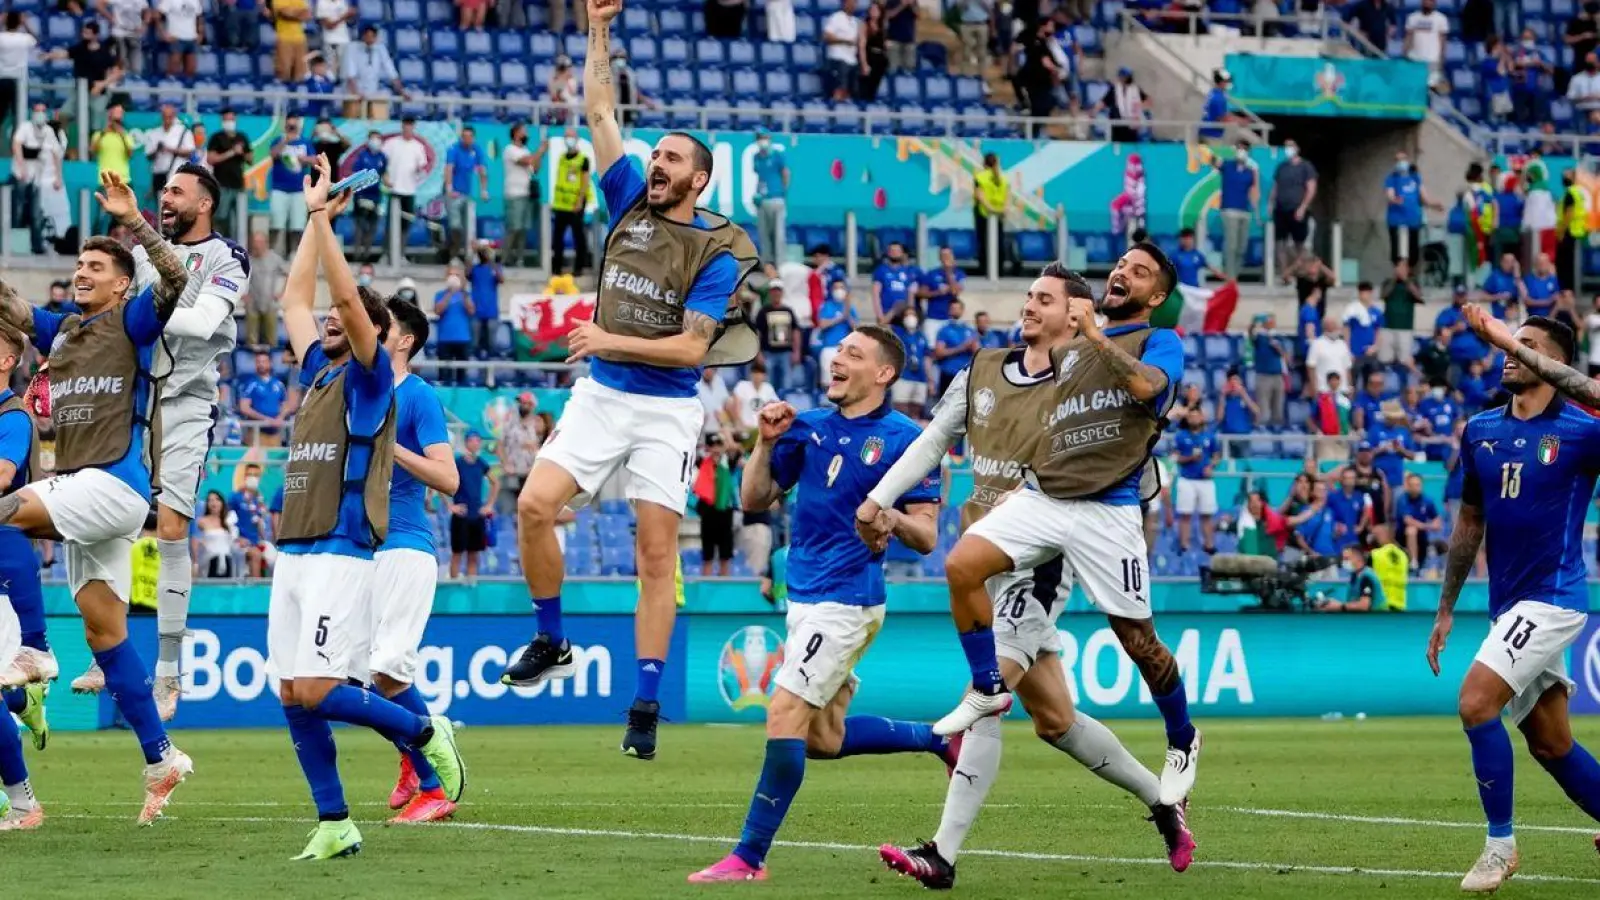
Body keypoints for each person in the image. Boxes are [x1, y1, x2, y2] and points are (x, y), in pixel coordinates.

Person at [862, 266, 1195, 887]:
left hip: (1041, 563)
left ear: (1077, 314)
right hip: (992, 546)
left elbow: (1128, 440)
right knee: (1056, 723)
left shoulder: (1089, 376)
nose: (1030, 306)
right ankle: (1162, 803)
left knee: (990, 698)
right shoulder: (985, 368)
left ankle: (941, 855)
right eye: (1029, 296)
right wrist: (880, 499)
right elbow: (933, 442)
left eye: (1045, 298)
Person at [501, 0, 761, 762]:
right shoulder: (624, 201)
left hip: (665, 412)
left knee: (655, 556)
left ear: (699, 178)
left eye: (673, 160)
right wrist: (597, 29)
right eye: (657, 156)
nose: (657, 164)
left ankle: (644, 702)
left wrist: (605, 335)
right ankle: (552, 640)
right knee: (531, 507)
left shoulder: (716, 249)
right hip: (601, 396)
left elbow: (689, 352)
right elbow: (600, 107)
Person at [924, 244, 1200, 808]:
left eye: (1140, 272)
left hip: (1107, 510)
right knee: (961, 566)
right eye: (1121, 264)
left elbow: (1148, 389)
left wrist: (1095, 334)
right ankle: (987, 688)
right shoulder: (1068, 350)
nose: (1123, 272)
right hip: (1046, 495)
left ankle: (1183, 738)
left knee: (1138, 642)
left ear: (1157, 296)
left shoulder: (1158, 341)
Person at [686, 326, 948, 883]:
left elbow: (926, 536)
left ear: (884, 374)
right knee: (821, 739)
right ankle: (940, 739)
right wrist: (766, 442)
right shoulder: (806, 426)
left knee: (782, 711)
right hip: (803, 596)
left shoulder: (909, 440)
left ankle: (748, 857)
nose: (838, 358)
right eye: (839, 350)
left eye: (855, 353)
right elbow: (756, 499)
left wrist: (890, 517)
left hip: (849, 600)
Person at [267, 154, 463, 861]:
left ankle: (421, 732)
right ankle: (334, 822)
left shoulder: (374, 380)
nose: (325, 317)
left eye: (343, 318)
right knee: (291, 692)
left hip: (345, 547)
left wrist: (326, 222)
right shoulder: (318, 372)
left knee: (321, 686)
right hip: (295, 548)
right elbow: (295, 300)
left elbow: (349, 307)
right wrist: (311, 222)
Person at [0, 173, 194, 823]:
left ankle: (35, 646)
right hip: (85, 493)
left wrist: (135, 222)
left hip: (112, 483)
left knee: (6, 508)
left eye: (94, 266)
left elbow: (174, 279)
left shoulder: (133, 318)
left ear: (119, 281)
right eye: (78, 264)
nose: (81, 272)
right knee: (106, 635)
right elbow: (11, 310)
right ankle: (160, 757)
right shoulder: (62, 331)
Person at [1428, 309, 1600, 892]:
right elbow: (1469, 521)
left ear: (1551, 362)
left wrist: (1508, 337)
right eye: (1508, 342)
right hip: (1508, 605)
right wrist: (1447, 608)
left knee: (1476, 703)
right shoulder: (1480, 430)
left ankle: (1500, 847)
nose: (1508, 352)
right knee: (1551, 743)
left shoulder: (1582, 429)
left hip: (1554, 598)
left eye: (1526, 346)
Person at [69, 164, 248, 716]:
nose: (165, 198)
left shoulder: (227, 256)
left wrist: (136, 320)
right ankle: (108, 649)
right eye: (163, 190)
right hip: (136, 399)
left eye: (176, 191)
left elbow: (199, 324)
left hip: (189, 402)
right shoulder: (144, 255)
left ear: (206, 202)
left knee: (170, 527)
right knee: (113, 516)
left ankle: (170, 670)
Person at [364, 296, 459, 822]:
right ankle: (413, 750)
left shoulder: (417, 396)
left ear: (404, 341)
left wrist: (390, 446)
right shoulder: (357, 389)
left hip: (404, 546)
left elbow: (449, 479)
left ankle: (433, 784)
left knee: (385, 673)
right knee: (352, 682)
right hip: (359, 552)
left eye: (386, 326)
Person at [0, 325, 51, 688]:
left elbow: (3, 476)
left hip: (5, 573)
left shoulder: (13, 417)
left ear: (7, 361)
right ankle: (25, 703)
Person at [1172, 404, 1221, 554]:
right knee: (1185, 514)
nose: (1194, 418)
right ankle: (1184, 544)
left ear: (1202, 417)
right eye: (1191, 415)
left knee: (1207, 514)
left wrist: (1211, 466)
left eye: (1196, 415)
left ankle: (1209, 544)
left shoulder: (1210, 436)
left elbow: (1217, 456)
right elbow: (1174, 457)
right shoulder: (1180, 436)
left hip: (1205, 481)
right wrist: (1189, 458)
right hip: (1187, 479)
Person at [1268, 139, 1317, 281]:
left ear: (1297, 148)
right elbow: (1275, 187)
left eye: (1290, 146)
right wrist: (1271, 203)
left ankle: (1301, 271)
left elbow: (1311, 188)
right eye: (1286, 147)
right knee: (1280, 243)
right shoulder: (1281, 167)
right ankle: (1285, 273)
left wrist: (1303, 207)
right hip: (1281, 210)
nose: (1288, 149)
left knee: (1299, 244)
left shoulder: (1306, 167)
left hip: (1297, 210)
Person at [449, 431, 495, 578]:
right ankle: (453, 585)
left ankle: (472, 587)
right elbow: (441, 484)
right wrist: (451, 506)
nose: (475, 443)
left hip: (477, 516)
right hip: (461, 515)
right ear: (466, 442)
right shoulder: (458, 463)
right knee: (457, 554)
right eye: (472, 440)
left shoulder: (481, 463)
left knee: (473, 555)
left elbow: (496, 483)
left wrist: (489, 505)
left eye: (478, 441)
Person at [268, 116, 315, 255]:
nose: (291, 129)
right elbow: (273, 154)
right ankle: (272, 253)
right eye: (289, 126)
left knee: (297, 226)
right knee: (276, 224)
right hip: (279, 189)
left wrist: (304, 159)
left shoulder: (305, 142)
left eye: (293, 127)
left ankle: (295, 254)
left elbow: (315, 160)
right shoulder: (278, 140)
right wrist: (285, 141)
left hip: (298, 190)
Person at [549, 127, 591, 277]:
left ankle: (579, 268)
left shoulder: (583, 160)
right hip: (560, 204)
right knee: (557, 238)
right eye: (566, 136)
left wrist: (579, 201)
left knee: (578, 236)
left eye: (571, 136)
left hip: (575, 204)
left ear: (577, 139)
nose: (569, 139)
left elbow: (585, 183)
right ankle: (556, 268)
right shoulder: (561, 158)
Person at [443, 126, 489, 262]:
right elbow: (449, 168)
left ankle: (469, 256)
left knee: (470, 227)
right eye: (464, 136)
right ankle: (454, 254)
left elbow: (482, 170)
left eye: (469, 136)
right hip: (455, 193)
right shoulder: (453, 149)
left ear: (473, 138)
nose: (467, 139)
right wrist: (449, 187)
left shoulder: (477, 150)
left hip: (469, 195)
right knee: (455, 226)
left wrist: (484, 190)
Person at [502, 124, 546, 268]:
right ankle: (505, 258)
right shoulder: (510, 150)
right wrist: (540, 150)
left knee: (523, 229)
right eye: (523, 132)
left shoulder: (526, 150)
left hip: (526, 194)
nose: (526, 134)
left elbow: (535, 168)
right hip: (514, 194)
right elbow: (526, 161)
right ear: (515, 133)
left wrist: (541, 154)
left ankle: (519, 258)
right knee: (514, 228)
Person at [1214, 139, 1259, 280]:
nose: (1241, 151)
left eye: (1244, 149)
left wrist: (1256, 212)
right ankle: (1230, 277)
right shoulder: (1227, 165)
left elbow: (1254, 192)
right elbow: (1213, 161)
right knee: (1231, 245)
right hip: (1229, 210)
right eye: (1239, 148)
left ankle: (1235, 274)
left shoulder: (1250, 171)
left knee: (1242, 247)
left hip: (1244, 211)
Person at [205, 109, 253, 238]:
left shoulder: (242, 137)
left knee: (238, 220)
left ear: (235, 120)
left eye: (231, 119)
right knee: (221, 219)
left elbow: (250, 159)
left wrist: (241, 152)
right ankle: (219, 246)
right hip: (222, 185)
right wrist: (232, 152)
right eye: (226, 120)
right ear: (222, 121)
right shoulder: (216, 138)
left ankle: (236, 249)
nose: (229, 122)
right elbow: (211, 159)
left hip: (238, 186)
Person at [237, 350, 291, 446]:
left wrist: (280, 418)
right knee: (255, 461)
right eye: (258, 362)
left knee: (274, 460)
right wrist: (265, 420)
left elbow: (285, 405)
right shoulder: (250, 383)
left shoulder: (279, 384)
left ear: (270, 363)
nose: (261, 364)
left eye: (264, 361)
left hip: (275, 433)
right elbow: (244, 407)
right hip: (256, 432)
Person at [1315, 542, 1387, 612]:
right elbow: (1353, 602)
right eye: (1343, 559)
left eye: (1347, 559)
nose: (1343, 562)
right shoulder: (1354, 575)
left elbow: (1364, 606)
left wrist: (1339, 606)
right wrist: (1333, 604)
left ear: (1358, 559)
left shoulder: (1366, 577)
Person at [752, 130, 789, 263]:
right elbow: (760, 177)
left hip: (776, 198)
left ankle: (780, 265)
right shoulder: (756, 157)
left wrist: (782, 192)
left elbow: (785, 173)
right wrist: (758, 193)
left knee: (779, 235)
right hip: (762, 200)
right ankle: (767, 265)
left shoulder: (777, 155)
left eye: (764, 137)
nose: (762, 140)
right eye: (759, 138)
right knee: (764, 235)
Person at [931, 298, 978, 399]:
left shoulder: (969, 329)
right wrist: (961, 348)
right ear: (949, 311)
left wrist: (973, 346)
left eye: (958, 308)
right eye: (953, 308)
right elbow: (939, 352)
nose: (955, 311)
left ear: (962, 310)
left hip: (966, 375)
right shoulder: (944, 329)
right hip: (949, 373)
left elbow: (977, 352)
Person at [973, 153, 1008, 276]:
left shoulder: (980, 177)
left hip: (985, 214)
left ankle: (987, 271)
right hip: (997, 215)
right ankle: (999, 272)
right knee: (997, 242)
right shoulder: (1003, 178)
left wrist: (991, 209)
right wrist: (1002, 210)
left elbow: (979, 196)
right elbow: (1007, 198)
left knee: (984, 243)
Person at [469, 245, 502, 356]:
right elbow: (466, 273)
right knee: (474, 344)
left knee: (492, 344)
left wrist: (491, 259)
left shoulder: (494, 268)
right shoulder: (475, 268)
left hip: (491, 311)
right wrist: (473, 253)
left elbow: (501, 279)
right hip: (476, 311)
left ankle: (490, 368)